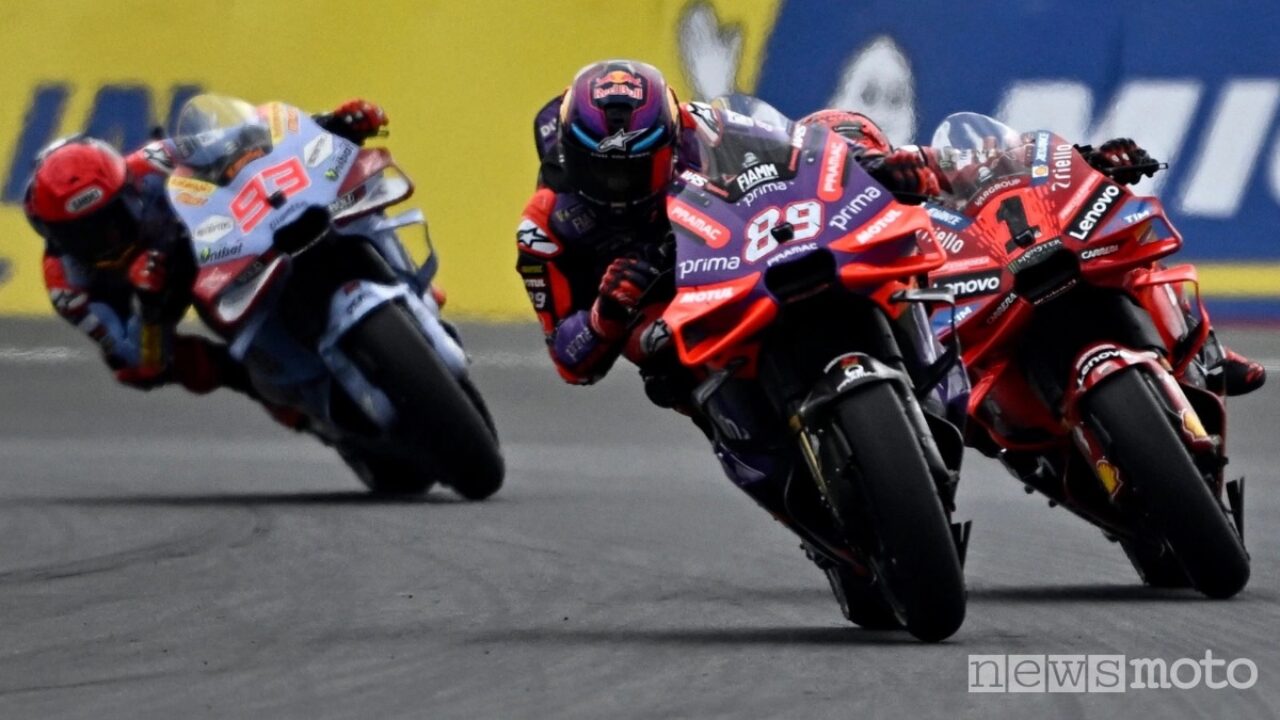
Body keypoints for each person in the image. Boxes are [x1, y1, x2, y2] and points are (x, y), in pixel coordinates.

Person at [514, 60, 951, 564]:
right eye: (602, 169)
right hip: (666, 303)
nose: (617, 184)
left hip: (744, 254)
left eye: (635, 167)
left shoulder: (705, 129)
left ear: (669, 140)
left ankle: (924, 365)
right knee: (657, 353)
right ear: (570, 155)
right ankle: (773, 470)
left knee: (844, 139)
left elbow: (802, 148)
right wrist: (605, 314)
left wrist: (874, 166)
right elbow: (569, 359)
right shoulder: (546, 227)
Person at [24, 99, 391, 412]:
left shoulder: (151, 162)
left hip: (208, 242)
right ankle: (298, 407)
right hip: (155, 301)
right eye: (83, 236)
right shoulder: (67, 286)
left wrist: (328, 125)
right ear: (56, 238)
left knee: (331, 205)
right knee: (176, 367)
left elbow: (243, 139)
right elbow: (139, 361)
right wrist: (150, 309)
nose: (108, 239)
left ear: (128, 187)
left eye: (114, 218)